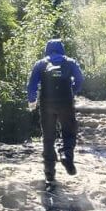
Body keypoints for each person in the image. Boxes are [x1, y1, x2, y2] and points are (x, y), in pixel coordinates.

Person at [26, 39, 84, 184]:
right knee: (69, 132)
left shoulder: (40, 64)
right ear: (62, 49)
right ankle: (66, 156)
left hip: (47, 104)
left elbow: (31, 85)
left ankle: (49, 173)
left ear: (47, 49)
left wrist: (32, 101)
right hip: (66, 102)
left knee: (48, 137)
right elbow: (80, 80)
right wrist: (73, 91)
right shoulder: (70, 62)